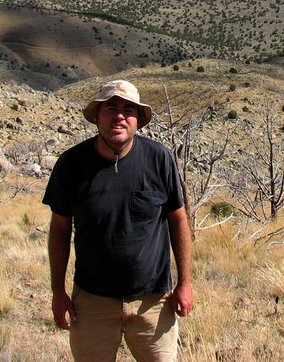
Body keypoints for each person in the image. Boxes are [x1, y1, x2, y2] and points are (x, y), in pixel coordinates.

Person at [43, 79, 193, 362]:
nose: (120, 115)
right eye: (111, 107)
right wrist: (58, 291)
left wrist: (184, 282)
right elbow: (60, 229)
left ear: (138, 119)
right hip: (91, 302)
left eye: (129, 109)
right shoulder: (71, 165)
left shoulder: (159, 159)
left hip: (153, 301)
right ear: (97, 115)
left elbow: (178, 220)